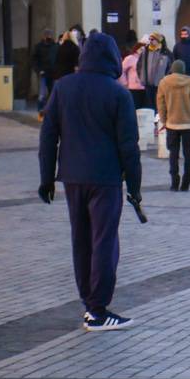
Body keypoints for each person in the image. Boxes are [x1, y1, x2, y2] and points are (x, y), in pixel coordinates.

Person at [38, 31, 141, 331]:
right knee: (104, 241)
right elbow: (128, 146)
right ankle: (98, 310)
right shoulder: (118, 93)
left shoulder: (64, 87)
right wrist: (134, 186)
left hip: (72, 177)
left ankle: (89, 303)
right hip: (106, 178)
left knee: (81, 240)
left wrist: (47, 178)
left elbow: (49, 136)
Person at [156, 60, 190, 191]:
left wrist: (164, 120)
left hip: (172, 124)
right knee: (189, 154)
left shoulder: (164, 82)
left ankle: (174, 181)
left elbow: (161, 104)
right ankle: (186, 181)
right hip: (188, 124)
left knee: (173, 154)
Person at [137, 33, 171, 110]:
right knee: (150, 105)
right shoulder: (145, 52)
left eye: (152, 39)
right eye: (150, 39)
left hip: (160, 84)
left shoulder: (166, 53)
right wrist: (141, 76)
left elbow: (170, 67)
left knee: (160, 104)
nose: (150, 41)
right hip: (147, 83)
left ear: (158, 41)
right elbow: (139, 65)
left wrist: (165, 78)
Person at [32, 29, 58, 116]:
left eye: (49, 35)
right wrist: (38, 70)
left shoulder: (55, 46)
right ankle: (40, 110)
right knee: (42, 94)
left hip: (53, 72)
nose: (48, 37)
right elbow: (34, 60)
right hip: (43, 72)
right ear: (43, 36)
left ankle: (50, 110)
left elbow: (57, 59)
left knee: (52, 92)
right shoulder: (38, 47)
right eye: (47, 35)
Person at [118, 42, 146, 111]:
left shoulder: (146, 59)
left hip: (145, 88)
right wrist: (124, 83)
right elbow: (121, 70)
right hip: (133, 88)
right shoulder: (130, 58)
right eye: (141, 49)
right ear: (136, 49)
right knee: (135, 108)